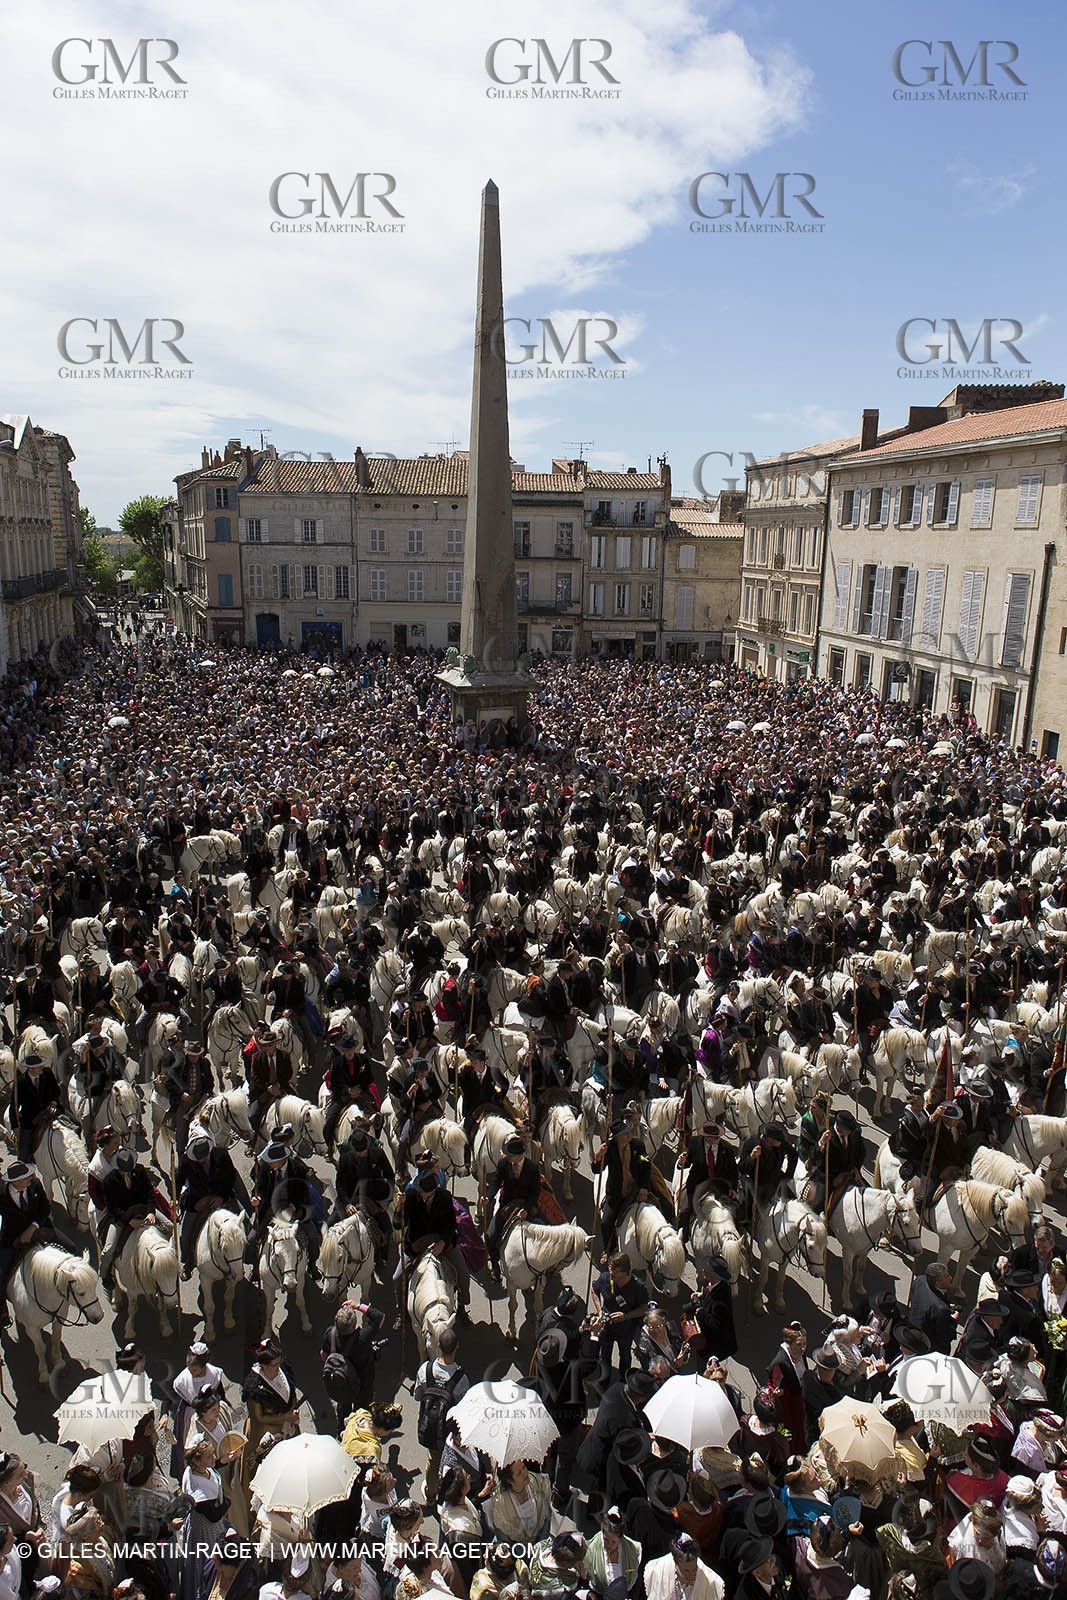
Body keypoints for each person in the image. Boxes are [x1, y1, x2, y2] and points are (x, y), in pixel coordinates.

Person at [413, 1327, 470, 1500]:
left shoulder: (425, 1370)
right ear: (457, 1346)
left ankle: (431, 1493)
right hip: (449, 1431)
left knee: (433, 1460)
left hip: (430, 1426)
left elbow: (417, 1395)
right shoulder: (461, 1379)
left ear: (438, 1345)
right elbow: (464, 1409)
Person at [592, 1254, 650, 1378]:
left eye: (615, 1270)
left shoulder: (638, 1286)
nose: (611, 1272)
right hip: (607, 1326)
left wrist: (626, 1316)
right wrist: (600, 1311)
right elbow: (594, 1290)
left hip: (626, 1329)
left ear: (625, 1271)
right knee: (605, 1355)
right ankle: (604, 1380)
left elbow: (644, 1309)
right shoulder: (605, 1278)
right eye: (609, 1268)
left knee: (624, 1355)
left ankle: (624, 1380)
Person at [643, 1532, 724, 1600]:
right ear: (675, 1564)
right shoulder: (657, 1571)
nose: (691, 1576)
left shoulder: (709, 1582)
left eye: (694, 1570)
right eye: (686, 1571)